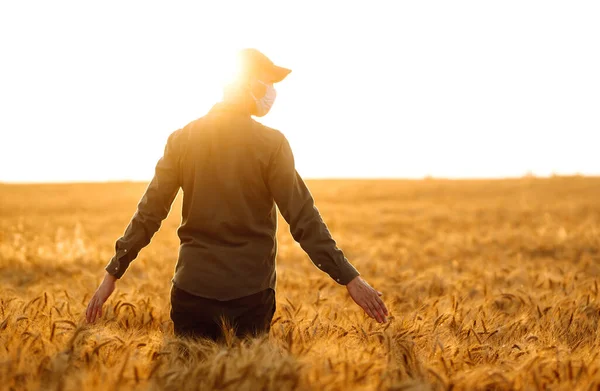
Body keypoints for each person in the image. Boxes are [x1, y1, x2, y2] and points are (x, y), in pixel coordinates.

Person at [85, 48, 389, 341]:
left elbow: (149, 213)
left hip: (191, 293)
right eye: (267, 81)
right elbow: (303, 218)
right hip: (249, 299)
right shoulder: (271, 145)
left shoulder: (182, 140)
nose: (271, 90)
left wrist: (113, 273)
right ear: (247, 84)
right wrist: (349, 277)